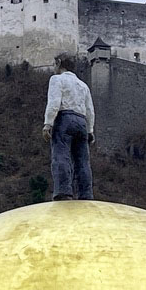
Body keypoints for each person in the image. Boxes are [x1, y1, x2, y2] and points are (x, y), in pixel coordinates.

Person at [42, 54, 95, 200]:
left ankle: (63, 192)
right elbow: (90, 109)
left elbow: (54, 102)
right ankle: (86, 194)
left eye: (54, 64)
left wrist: (48, 123)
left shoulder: (57, 79)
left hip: (64, 119)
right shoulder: (83, 85)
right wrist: (90, 130)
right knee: (83, 161)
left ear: (59, 63)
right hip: (82, 121)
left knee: (61, 156)